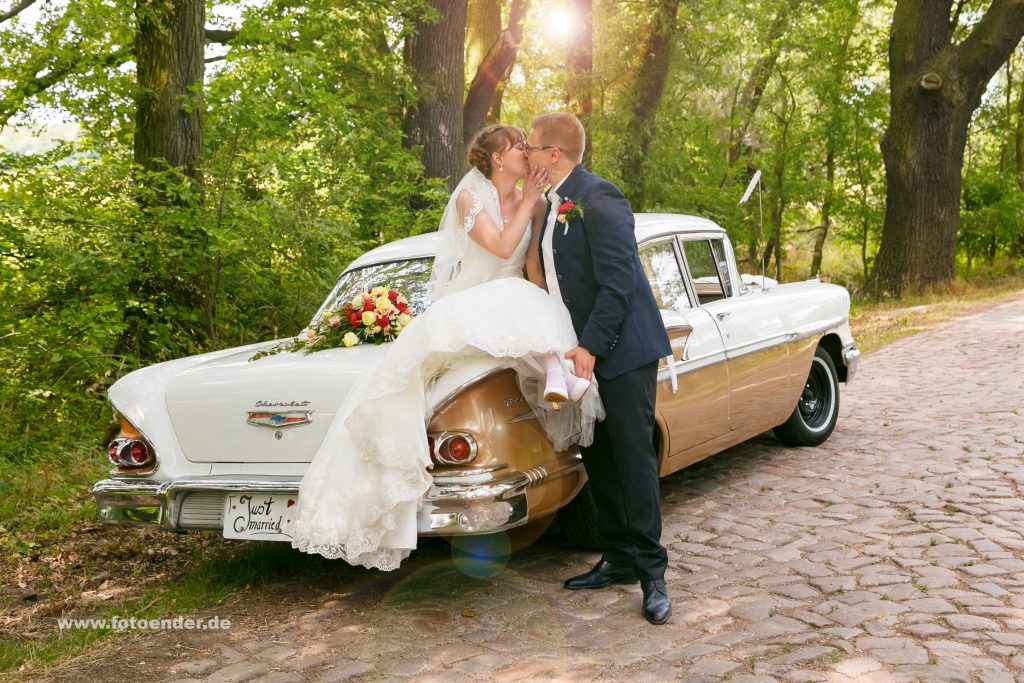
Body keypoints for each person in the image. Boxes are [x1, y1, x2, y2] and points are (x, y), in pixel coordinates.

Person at [290, 125, 604, 571]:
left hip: (514, 295)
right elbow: (498, 247)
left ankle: (555, 369)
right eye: (518, 147)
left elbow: (531, 265)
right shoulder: (469, 198)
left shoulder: (534, 202)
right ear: (497, 159)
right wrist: (530, 201)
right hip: (477, 293)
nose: (526, 153)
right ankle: (553, 372)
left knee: (531, 297)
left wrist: (557, 312)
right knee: (511, 300)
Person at [525, 112, 674, 625]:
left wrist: (590, 346)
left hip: (622, 351)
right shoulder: (547, 206)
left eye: (531, 146)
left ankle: (653, 573)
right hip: (576, 355)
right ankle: (617, 558)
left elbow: (619, 283)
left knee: (633, 459)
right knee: (599, 457)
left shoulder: (600, 196)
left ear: (554, 155)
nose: (525, 153)